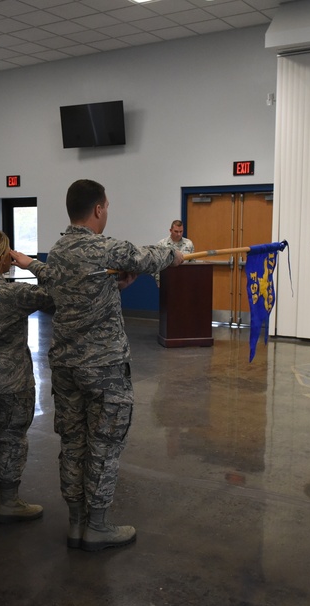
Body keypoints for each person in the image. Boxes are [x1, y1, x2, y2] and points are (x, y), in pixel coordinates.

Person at [27, 179, 183, 552]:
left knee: (74, 444)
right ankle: (96, 525)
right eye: (107, 207)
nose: (107, 213)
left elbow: (79, 292)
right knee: (104, 445)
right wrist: (174, 256)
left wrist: (116, 286)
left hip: (66, 367)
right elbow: (147, 258)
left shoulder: (57, 251)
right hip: (104, 369)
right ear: (98, 209)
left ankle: (77, 522)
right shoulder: (104, 248)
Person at [0, 230, 54, 523]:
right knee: (11, 439)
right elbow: (57, 296)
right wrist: (32, 265)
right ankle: (9, 500)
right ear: (4, 257)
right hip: (11, 381)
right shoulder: (16, 294)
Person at [154, 220, 194, 286]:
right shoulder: (162, 244)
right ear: (170, 230)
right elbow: (156, 264)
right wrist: (158, 280)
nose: (179, 234)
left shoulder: (189, 243)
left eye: (181, 231)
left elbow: (193, 263)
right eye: (176, 231)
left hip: (185, 280)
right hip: (167, 280)